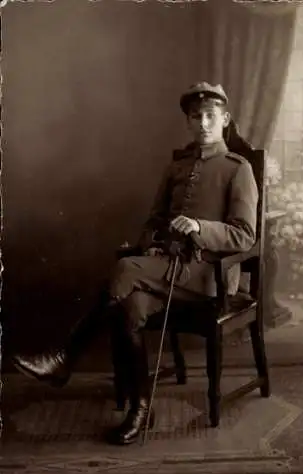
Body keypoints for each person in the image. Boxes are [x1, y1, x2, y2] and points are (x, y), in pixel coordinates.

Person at [12, 82, 259, 445]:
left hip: (209, 277)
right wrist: (150, 246)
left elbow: (244, 236)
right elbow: (153, 221)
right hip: (165, 272)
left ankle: (65, 357)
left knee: (126, 270)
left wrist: (199, 227)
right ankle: (140, 411)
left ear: (225, 120)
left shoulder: (238, 169)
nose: (204, 123)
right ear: (189, 123)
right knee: (130, 308)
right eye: (196, 117)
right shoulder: (175, 168)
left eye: (211, 116)